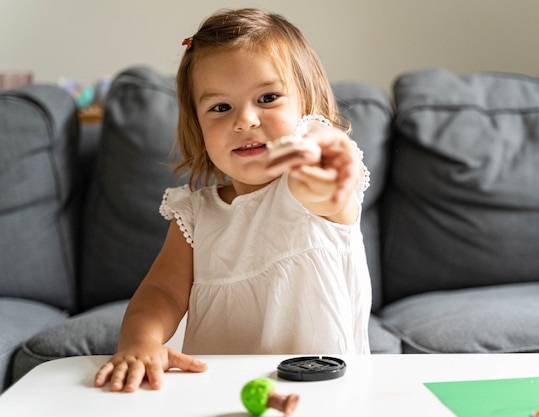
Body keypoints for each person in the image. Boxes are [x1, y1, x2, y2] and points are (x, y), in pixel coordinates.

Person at [94, 7, 372, 393]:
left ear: (307, 108)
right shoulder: (195, 213)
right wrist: (140, 343)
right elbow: (162, 292)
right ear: (198, 125)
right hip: (218, 395)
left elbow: (326, 190)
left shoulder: (307, 191)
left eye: (268, 97)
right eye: (220, 107)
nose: (245, 120)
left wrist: (326, 164)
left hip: (322, 393)